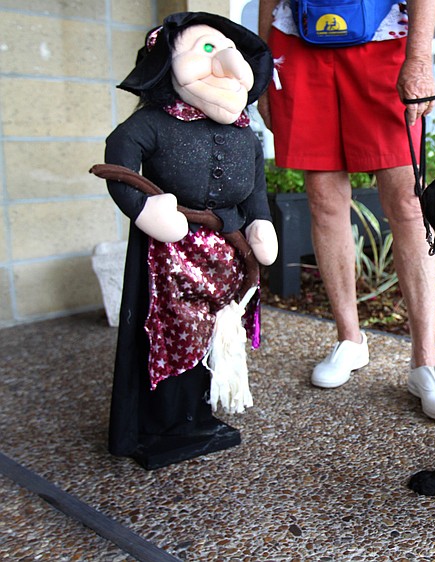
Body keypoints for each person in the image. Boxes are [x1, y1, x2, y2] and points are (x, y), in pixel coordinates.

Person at [257, 0, 435, 420]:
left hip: (384, 40)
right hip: (299, 43)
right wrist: (263, 69)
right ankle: (350, 340)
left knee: (407, 203)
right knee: (323, 202)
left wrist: (420, 57)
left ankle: (425, 362)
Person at [99, 12, 277, 469]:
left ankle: (198, 412)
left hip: (226, 258)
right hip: (167, 254)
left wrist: (260, 223)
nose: (226, 66)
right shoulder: (154, 124)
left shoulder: (246, 135)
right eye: (204, 51)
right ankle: (159, 423)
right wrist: (143, 209)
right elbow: (118, 159)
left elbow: (256, 189)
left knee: (216, 333)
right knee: (165, 334)